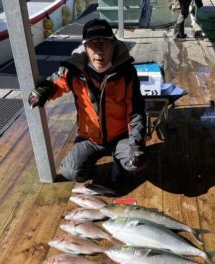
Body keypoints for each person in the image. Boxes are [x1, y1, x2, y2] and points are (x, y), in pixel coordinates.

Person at [28, 18, 146, 186]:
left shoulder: (127, 72)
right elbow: (56, 83)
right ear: (85, 47)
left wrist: (137, 145)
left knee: (135, 165)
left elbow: (136, 113)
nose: (99, 51)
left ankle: (122, 166)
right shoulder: (73, 71)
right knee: (70, 171)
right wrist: (44, 90)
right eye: (93, 44)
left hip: (120, 136)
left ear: (114, 44)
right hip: (88, 138)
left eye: (104, 43)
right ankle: (94, 166)